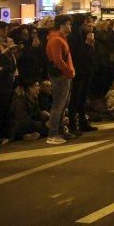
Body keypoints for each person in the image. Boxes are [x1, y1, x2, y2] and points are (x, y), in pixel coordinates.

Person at [45, 15, 76, 145]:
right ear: (62, 25)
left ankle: (60, 130)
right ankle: (52, 134)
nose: (70, 27)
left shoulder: (60, 38)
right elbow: (58, 60)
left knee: (63, 105)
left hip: (64, 75)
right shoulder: (56, 40)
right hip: (60, 76)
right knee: (58, 105)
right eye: (69, 24)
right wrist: (68, 71)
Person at [68, 14, 97, 133]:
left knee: (82, 98)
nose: (87, 24)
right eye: (85, 22)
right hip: (78, 70)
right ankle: (73, 125)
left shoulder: (83, 34)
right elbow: (78, 53)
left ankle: (83, 122)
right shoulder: (74, 35)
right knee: (75, 98)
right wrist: (88, 44)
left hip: (86, 69)